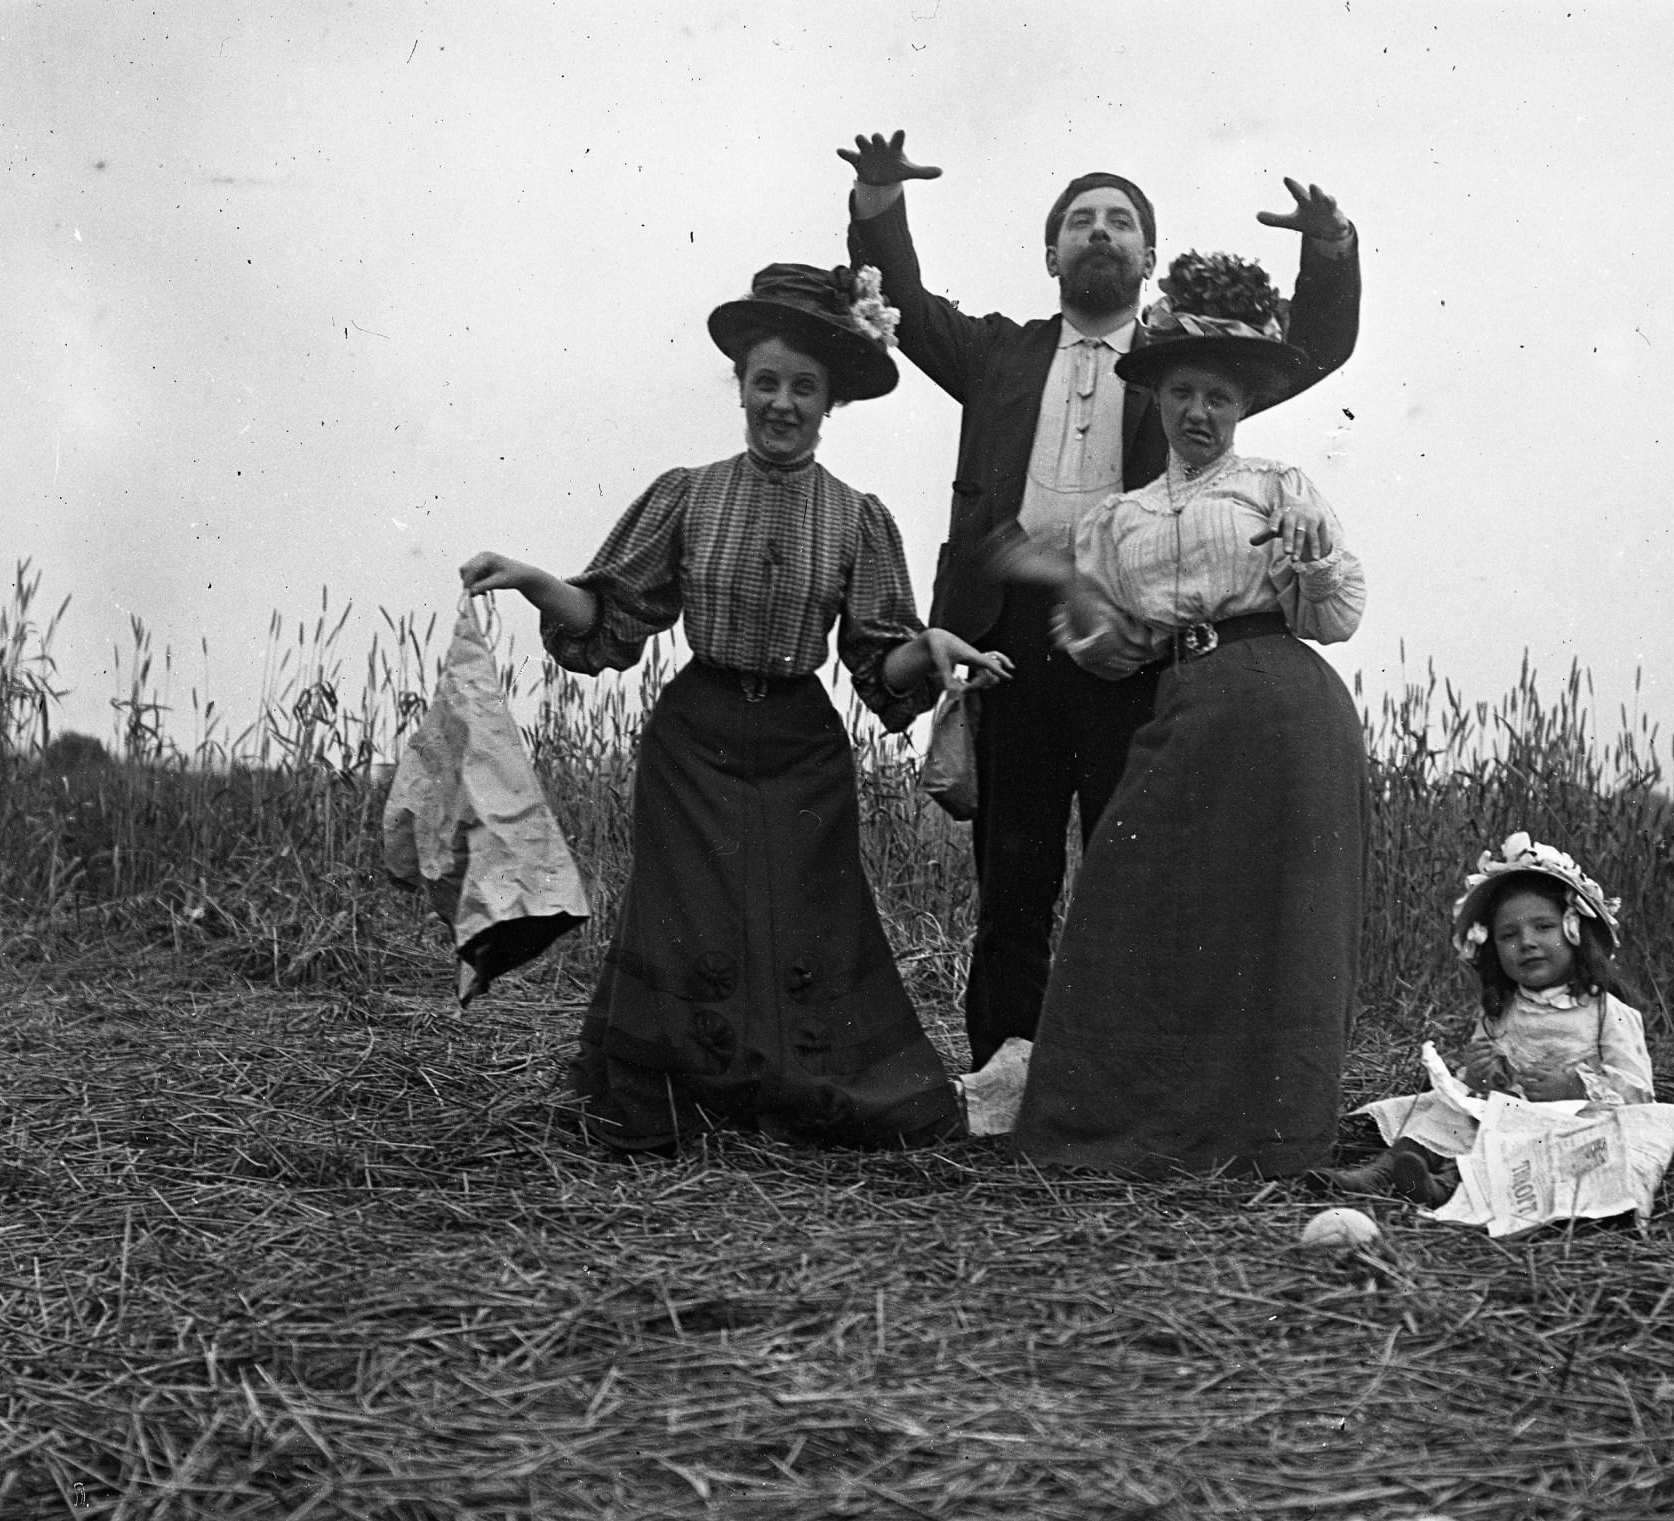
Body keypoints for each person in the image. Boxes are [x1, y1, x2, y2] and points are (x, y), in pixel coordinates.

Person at [839, 129, 1363, 1071]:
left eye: (1120, 222)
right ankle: (1004, 1079)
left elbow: (1312, 347)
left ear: (1149, 257)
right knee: (1013, 879)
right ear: (1051, 255)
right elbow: (905, 308)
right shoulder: (995, 354)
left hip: (1139, 655)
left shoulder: (1179, 369)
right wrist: (880, 197)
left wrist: (1326, 250)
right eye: (1080, 221)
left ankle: (1127, 1076)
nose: (1099, 234)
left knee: (1143, 873)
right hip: (1005, 645)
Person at [458, 263, 1011, 1154]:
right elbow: (609, 616)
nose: (781, 403)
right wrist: (532, 580)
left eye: (804, 387)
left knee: (805, 916)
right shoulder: (688, 492)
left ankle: (798, 1089)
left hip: (802, 741)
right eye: (766, 382)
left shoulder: (856, 517)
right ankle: (679, 1097)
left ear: (829, 404)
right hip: (695, 734)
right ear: (740, 388)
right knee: (690, 912)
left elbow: (878, 659)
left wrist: (934, 646)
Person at [993, 252, 1368, 1177]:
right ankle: (1138, 1122)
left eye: (1219, 399)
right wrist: (1080, 611)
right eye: (1183, 394)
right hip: (1185, 706)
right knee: (1139, 897)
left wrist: (1313, 562)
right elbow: (1102, 639)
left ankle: (1268, 1133)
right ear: (1156, 400)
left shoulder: (1276, 487)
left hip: (1286, 706)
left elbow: (1337, 617)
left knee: (1280, 916)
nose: (1199, 414)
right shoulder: (1116, 521)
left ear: (1240, 409)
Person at [1335, 835, 1657, 1204]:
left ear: (1575, 931)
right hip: (1502, 1110)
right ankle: (1385, 1171)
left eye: (1543, 927)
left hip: (1571, 1121)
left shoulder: (1605, 1011)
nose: (1527, 942)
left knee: (1528, 1150)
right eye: (1509, 935)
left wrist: (1575, 1087)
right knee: (1445, 1113)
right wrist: (1478, 1076)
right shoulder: (1501, 1009)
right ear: (1494, 948)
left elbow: (1639, 1090)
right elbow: (1479, 1077)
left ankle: (1445, 1186)